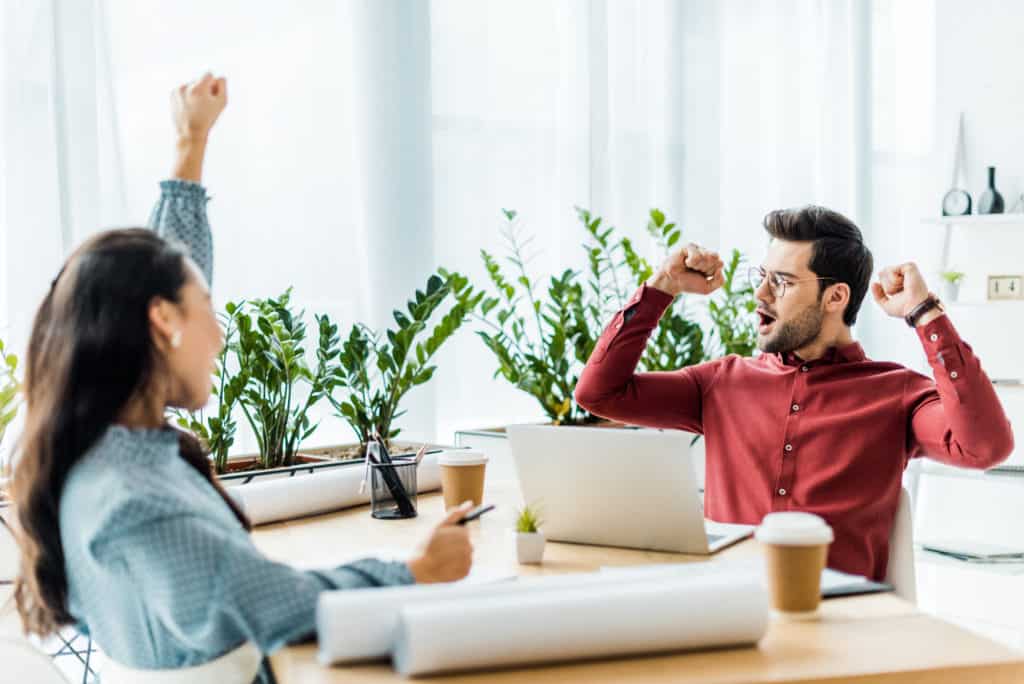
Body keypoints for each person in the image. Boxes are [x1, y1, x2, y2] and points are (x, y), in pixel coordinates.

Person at [10, 74, 473, 679]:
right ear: (164, 321)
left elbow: (166, 270)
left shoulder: (98, 452)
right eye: (211, 309)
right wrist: (414, 571)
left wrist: (190, 144)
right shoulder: (136, 501)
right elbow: (273, 600)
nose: (222, 334)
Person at [575, 206, 1013, 580]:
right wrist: (662, 286)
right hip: (727, 616)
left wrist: (925, 314)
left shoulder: (895, 393)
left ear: (835, 296)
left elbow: (985, 446)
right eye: (761, 276)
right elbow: (600, 393)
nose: (760, 294)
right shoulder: (720, 383)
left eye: (781, 281)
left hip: (841, 631)